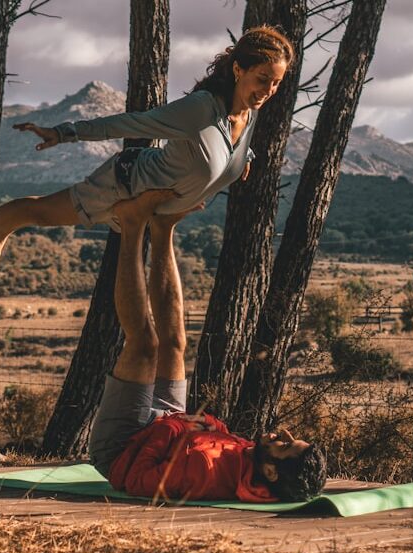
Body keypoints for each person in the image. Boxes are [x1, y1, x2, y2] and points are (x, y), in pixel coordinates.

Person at [0, 25, 295, 279]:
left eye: (276, 82)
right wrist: (63, 132)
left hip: (148, 208)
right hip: (125, 184)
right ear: (237, 69)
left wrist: (243, 160)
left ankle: (1, 227)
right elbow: (130, 124)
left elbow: (230, 146)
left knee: (37, 213)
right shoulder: (200, 109)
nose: (268, 89)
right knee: (36, 210)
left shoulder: (250, 111)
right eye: (262, 78)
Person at [89, 190, 327, 503]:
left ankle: (131, 226)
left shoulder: (206, 473)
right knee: (175, 344)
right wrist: (201, 423)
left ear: (271, 472)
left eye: (284, 445)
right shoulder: (249, 458)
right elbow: (214, 434)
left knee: (145, 345)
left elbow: (133, 479)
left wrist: (173, 427)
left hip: (124, 444)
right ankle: (162, 230)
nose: (282, 434)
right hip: (168, 424)